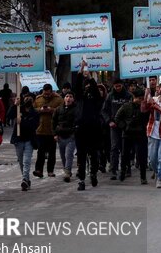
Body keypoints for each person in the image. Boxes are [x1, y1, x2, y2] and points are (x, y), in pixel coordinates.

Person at [74, 62, 104, 190]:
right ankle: (81, 179)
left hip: (93, 129)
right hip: (81, 129)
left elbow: (96, 91)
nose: (86, 88)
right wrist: (81, 70)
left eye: (88, 86)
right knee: (81, 155)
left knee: (93, 154)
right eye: (85, 86)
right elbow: (76, 87)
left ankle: (93, 173)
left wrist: (91, 76)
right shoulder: (80, 98)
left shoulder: (96, 98)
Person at [115, 89, 150, 183]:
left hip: (140, 134)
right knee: (124, 155)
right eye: (139, 98)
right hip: (127, 134)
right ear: (134, 98)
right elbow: (117, 118)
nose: (141, 100)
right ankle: (123, 172)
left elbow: (148, 118)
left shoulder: (144, 107)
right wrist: (125, 127)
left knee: (142, 156)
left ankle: (143, 176)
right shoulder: (126, 106)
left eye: (142, 98)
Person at [102, 77, 131, 180]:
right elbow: (104, 111)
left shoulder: (128, 96)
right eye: (116, 86)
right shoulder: (110, 96)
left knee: (125, 148)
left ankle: (126, 168)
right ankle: (113, 170)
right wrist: (109, 121)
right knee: (114, 148)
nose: (118, 88)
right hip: (114, 126)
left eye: (119, 86)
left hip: (126, 127)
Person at [8, 94, 39, 191]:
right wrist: (14, 105)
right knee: (21, 161)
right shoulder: (18, 109)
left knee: (27, 161)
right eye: (26, 98)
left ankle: (24, 179)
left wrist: (22, 122)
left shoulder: (35, 113)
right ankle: (26, 180)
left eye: (30, 99)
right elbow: (8, 116)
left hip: (29, 140)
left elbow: (33, 126)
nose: (28, 100)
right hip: (18, 139)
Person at [32, 84, 63, 178]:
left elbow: (62, 110)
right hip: (40, 129)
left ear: (51, 92)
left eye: (48, 94)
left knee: (52, 152)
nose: (46, 96)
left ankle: (50, 170)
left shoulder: (58, 99)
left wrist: (52, 110)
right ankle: (39, 170)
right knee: (40, 152)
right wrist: (40, 110)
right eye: (45, 94)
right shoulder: (38, 99)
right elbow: (33, 110)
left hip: (52, 130)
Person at [52, 91, 77, 183]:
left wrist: (75, 132)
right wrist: (55, 134)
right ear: (64, 98)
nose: (68, 98)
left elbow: (77, 122)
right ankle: (66, 169)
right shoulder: (58, 109)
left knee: (69, 154)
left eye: (70, 96)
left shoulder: (76, 109)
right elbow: (53, 122)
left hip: (71, 136)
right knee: (63, 156)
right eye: (67, 96)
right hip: (60, 136)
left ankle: (67, 172)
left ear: (73, 99)